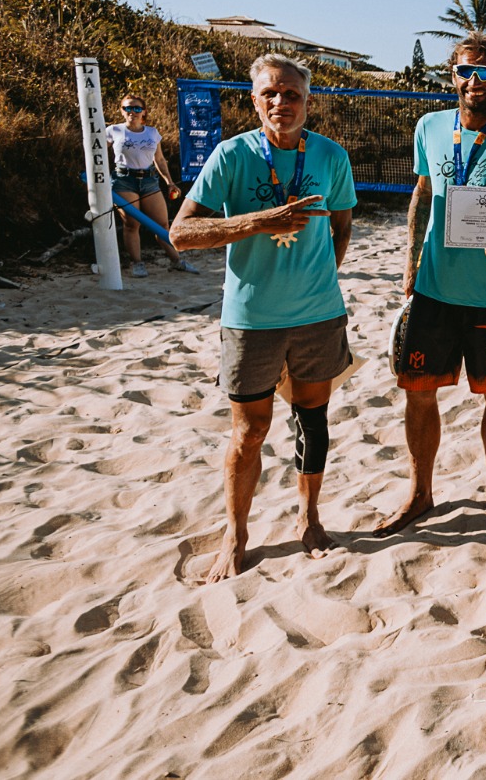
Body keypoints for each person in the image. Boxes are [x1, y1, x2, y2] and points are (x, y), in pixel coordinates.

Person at [170, 54, 356, 581]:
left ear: (307, 101)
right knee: (248, 433)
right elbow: (181, 234)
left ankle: (309, 518)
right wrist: (258, 221)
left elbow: (341, 228)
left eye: (291, 94)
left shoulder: (330, 155)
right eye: (270, 93)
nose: (281, 103)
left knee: (312, 420)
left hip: (318, 314)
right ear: (254, 101)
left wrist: (317, 277)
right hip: (250, 318)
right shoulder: (231, 156)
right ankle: (236, 535)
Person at [379, 32, 486, 536]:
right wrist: (409, 264)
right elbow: (423, 195)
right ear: (452, 76)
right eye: (465, 71)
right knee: (419, 392)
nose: (475, 80)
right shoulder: (430, 127)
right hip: (434, 287)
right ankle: (421, 492)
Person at [106, 92, 197, 276]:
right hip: (124, 180)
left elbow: (160, 160)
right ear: (122, 110)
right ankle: (137, 263)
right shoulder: (113, 130)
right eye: (128, 108)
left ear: (144, 111)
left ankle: (176, 261)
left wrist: (169, 182)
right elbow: (96, 154)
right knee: (131, 224)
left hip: (149, 181)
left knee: (161, 224)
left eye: (137, 108)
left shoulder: (152, 133)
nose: (132, 112)